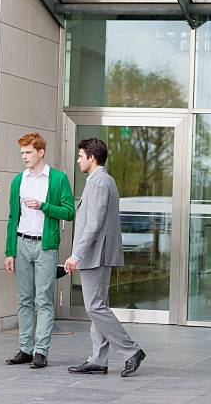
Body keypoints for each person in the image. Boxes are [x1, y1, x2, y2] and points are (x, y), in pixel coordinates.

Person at [65, 138, 146, 377]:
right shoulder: (100, 180)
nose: (78, 160)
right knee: (97, 306)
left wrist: (76, 254)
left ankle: (131, 351)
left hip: (96, 254)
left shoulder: (99, 182)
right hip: (97, 253)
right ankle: (98, 359)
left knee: (95, 307)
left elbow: (94, 223)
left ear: (92, 158)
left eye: (81, 156)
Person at [4, 132, 75, 369]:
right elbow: (12, 217)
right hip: (22, 243)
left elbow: (69, 212)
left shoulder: (57, 179)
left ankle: (41, 351)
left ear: (40, 152)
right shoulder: (18, 181)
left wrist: (43, 206)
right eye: (22, 152)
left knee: (43, 300)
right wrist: (9, 251)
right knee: (24, 299)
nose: (24, 156)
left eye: (28, 152)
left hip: (45, 245)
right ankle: (25, 349)